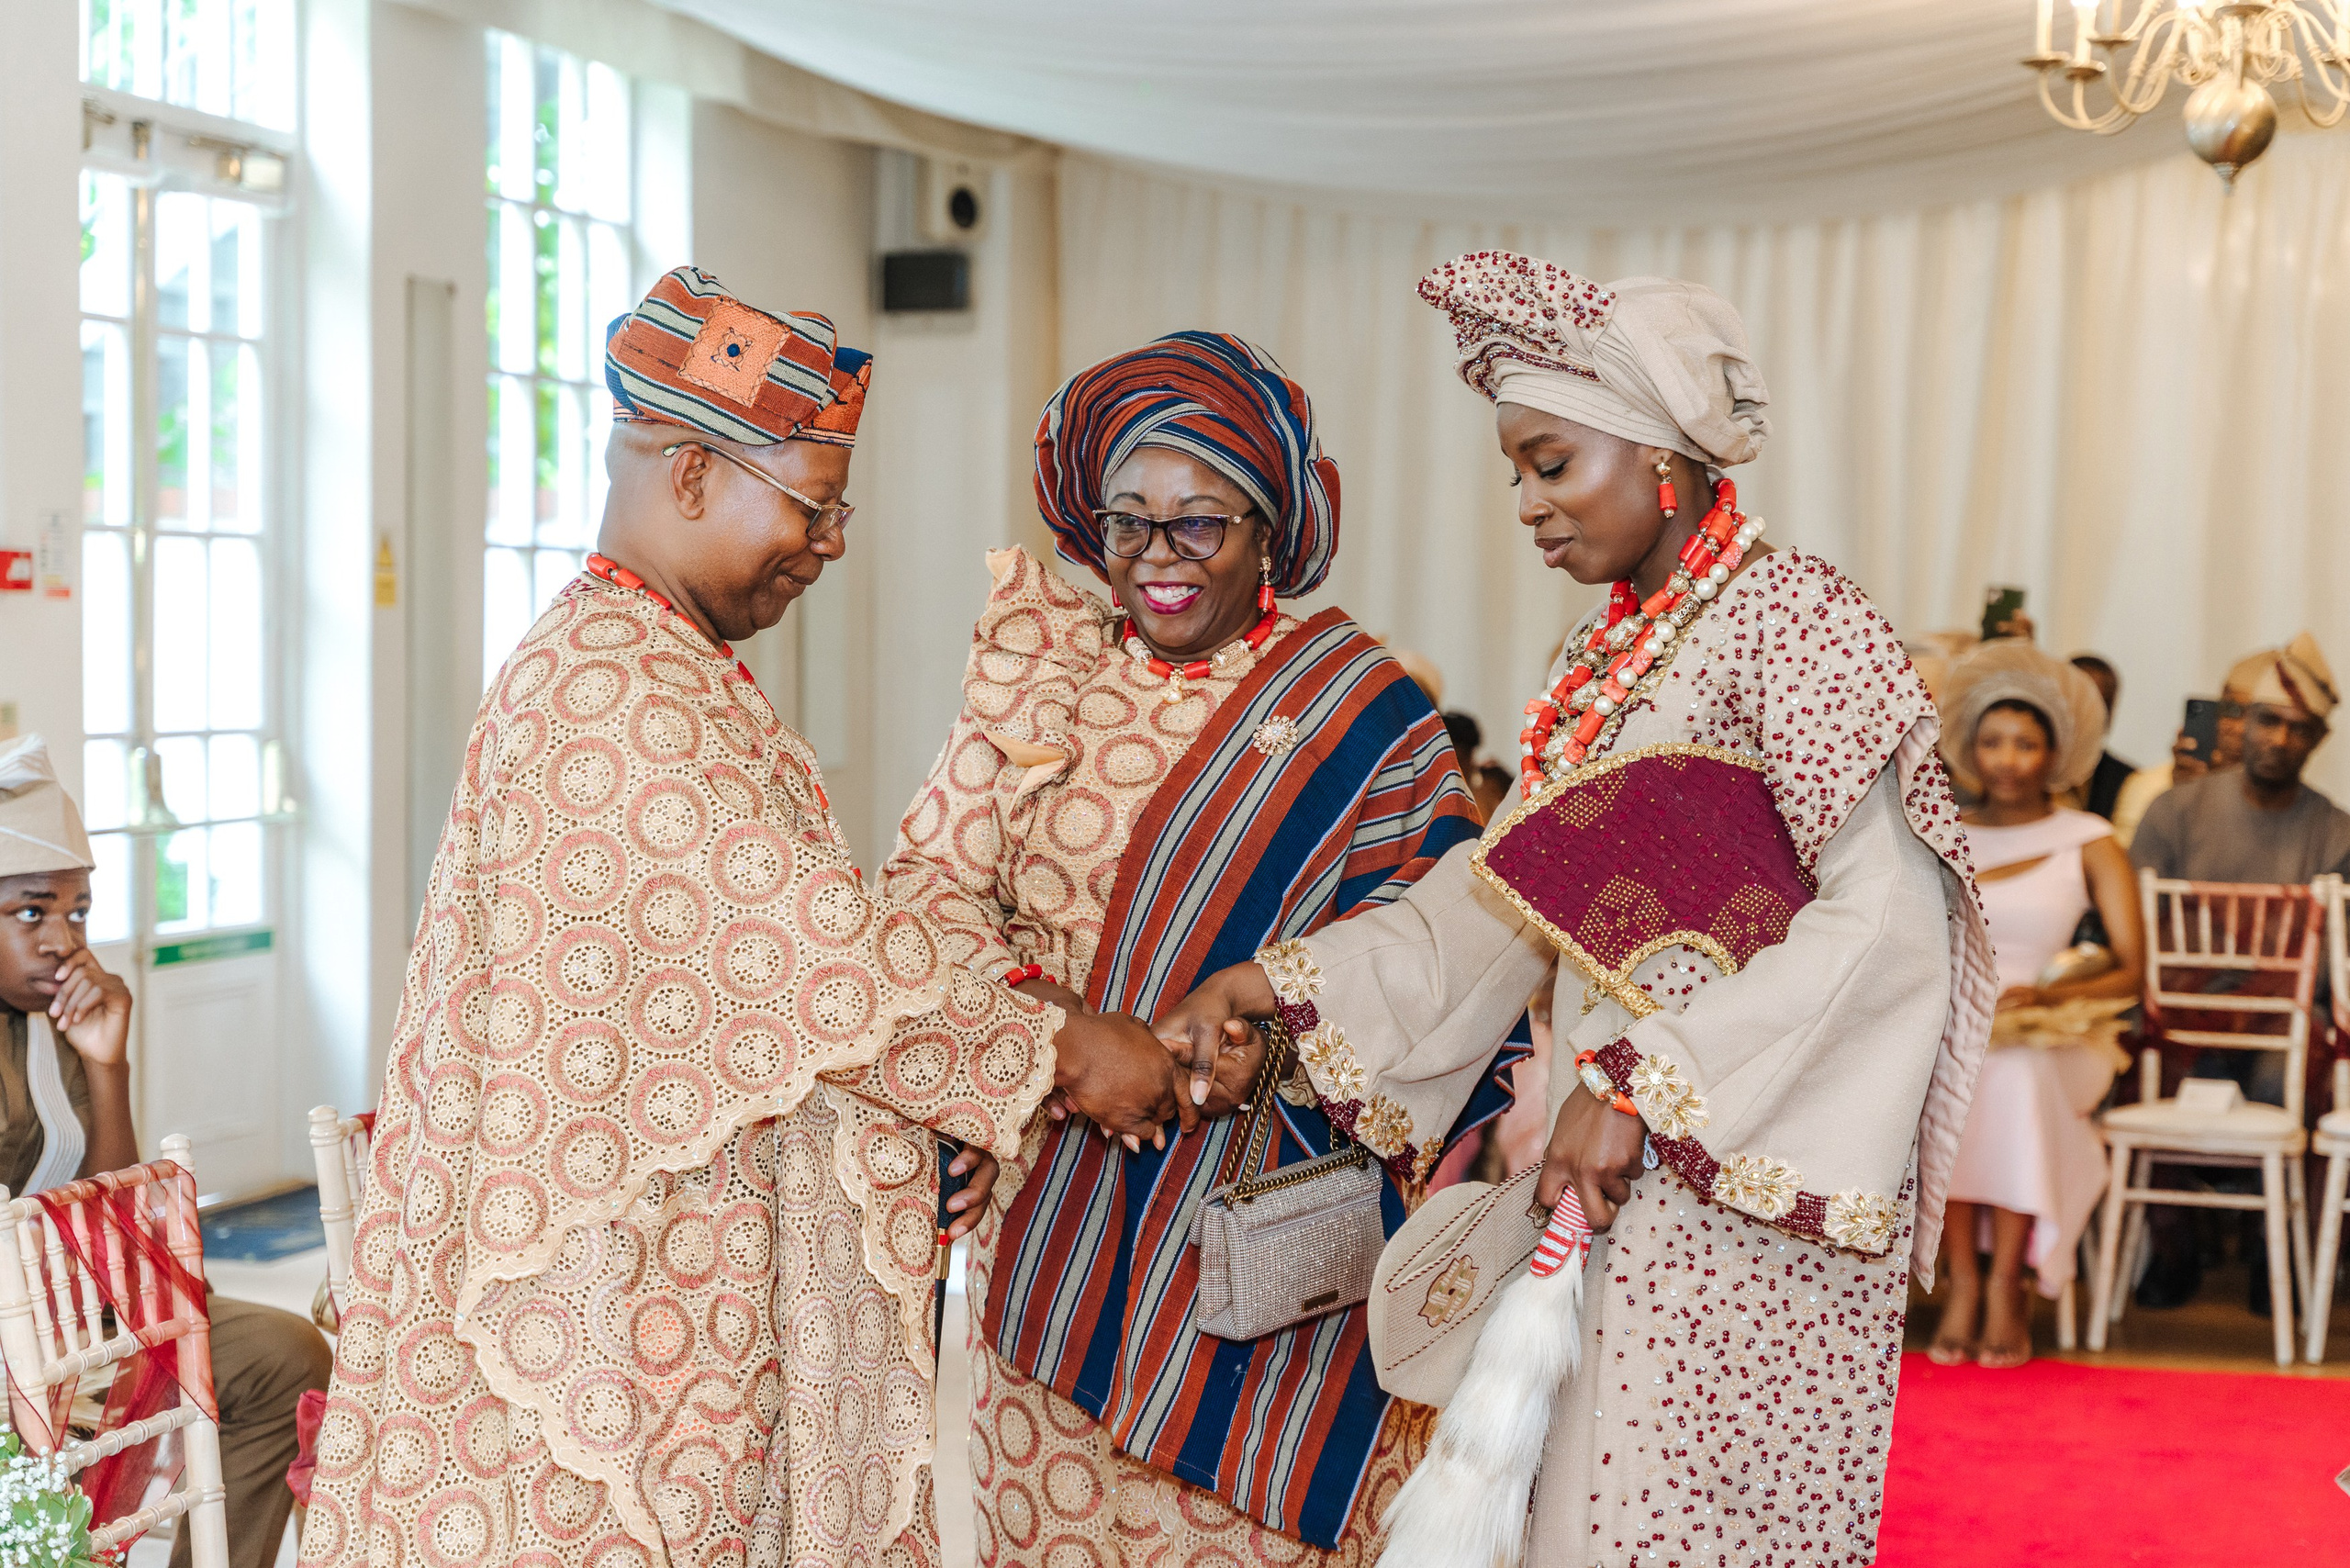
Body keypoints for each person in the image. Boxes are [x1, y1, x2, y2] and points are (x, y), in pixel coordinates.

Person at [296, 269, 1183, 1568]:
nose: (827, 545)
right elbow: (820, 964)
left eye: (839, 512)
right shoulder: (610, 689)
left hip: (667, 1282)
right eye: (812, 509)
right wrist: (1063, 1050)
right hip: (607, 1319)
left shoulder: (663, 663)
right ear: (694, 475)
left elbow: (774, 978)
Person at [1163, 252, 1996, 1568]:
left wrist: (1651, 1082)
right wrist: (1285, 986)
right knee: (1583, 1524)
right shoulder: (1607, 653)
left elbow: (1890, 929)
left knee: (1679, 1532)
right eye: (1515, 473)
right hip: (1620, 1175)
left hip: (1750, 1191)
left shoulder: (1802, 618)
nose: (1527, 505)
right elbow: (1510, 895)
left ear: (1659, 449)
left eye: (1551, 463)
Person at [881, 332, 1507, 1564]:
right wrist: (1060, 1030)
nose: (1158, 563)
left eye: (1199, 527)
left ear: (1270, 527)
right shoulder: (1037, 681)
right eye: (1128, 526)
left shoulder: (1361, 710)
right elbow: (924, 895)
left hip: (1272, 1261)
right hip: (1048, 1230)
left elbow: (1451, 962)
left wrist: (1257, 1046)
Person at [0, 734, 332, 1568]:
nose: (59, 941)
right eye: (30, 912)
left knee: (284, 1356)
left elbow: (113, 1214)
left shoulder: (58, 1027)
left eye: (76, 912)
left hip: (74, 1323)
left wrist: (110, 1063)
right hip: (20, 1342)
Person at [1928, 644, 2143, 1370]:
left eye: (2025, 743)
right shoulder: (1942, 831)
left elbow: (2132, 970)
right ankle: (1962, 1284)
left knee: (2009, 1073)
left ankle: (2008, 1285)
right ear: (1969, 748)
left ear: (2056, 752)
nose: (2007, 759)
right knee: (1943, 1075)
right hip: (1953, 1021)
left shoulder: (2090, 840)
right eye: (1991, 742)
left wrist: (2048, 994)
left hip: (2055, 1032)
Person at [2125, 633, 2350, 1312]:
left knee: (2298, 1076)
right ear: (2244, 724)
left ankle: (2272, 1250)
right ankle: (2174, 1248)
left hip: (2286, 1021)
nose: (2280, 738)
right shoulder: (2174, 811)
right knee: (2151, 1067)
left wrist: (2260, 991)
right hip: (2183, 1013)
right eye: (2269, 720)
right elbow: (2139, 936)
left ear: (2316, 740)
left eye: (2298, 729)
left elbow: (2333, 963)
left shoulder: (2335, 832)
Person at [2109, 648, 2269, 847]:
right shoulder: (2150, 788)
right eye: (2231, 710)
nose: (2237, 728)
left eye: (2259, 717)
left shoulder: (2284, 800)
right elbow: (2131, 871)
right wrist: (2181, 800)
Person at [2068, 653, 2135, 821]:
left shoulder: (2128, 782)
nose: (2093, 717)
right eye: (2082, 704)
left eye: (2104, 705)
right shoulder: (2030, 774)